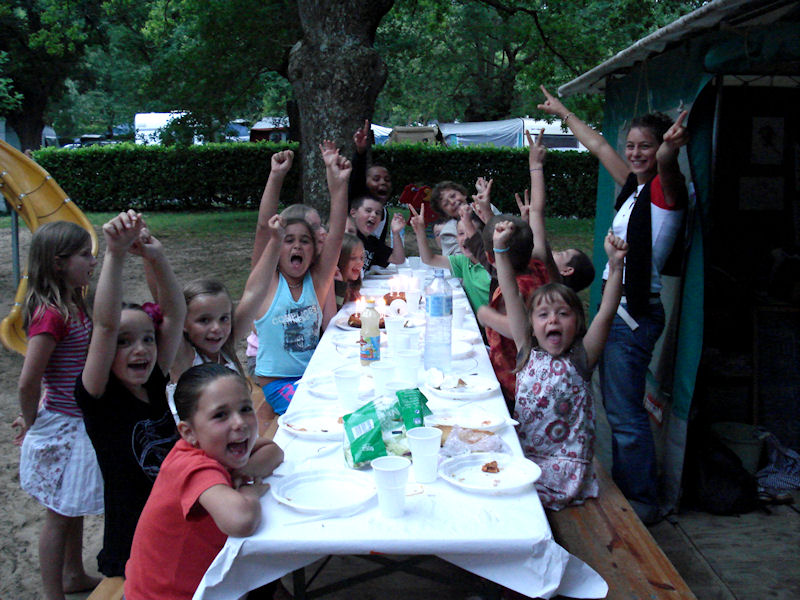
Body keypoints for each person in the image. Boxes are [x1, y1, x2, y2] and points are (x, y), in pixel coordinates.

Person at [538, 85, 689, 523]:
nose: (637, 153)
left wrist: (667, 151)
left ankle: (640, 503)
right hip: (613, 307)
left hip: (633, 314)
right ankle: (627, 493)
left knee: (624, 415)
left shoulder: (665, 190)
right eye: (633, 146)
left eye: (646, 146)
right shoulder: (634, 188)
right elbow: (600, 145)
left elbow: (665, 164)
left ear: (663, 147)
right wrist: (564, 111)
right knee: (615, 410)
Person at [76, 210, 187, 577]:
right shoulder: (99, 397)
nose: (140, 349)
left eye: (146, 339)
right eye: (125, 343)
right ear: (104, 352)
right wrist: (115, 254)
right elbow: (105, 325)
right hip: (132, 541)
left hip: (172, 518)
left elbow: (174, 314)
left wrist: (156, 256)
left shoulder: (153, 380)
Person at [494, 220, 627, 510]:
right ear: (531, 324)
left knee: (505, 502)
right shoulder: (525, 349)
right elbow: (512, 294)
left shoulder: (582, 357)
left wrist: (616, 267)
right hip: (524, 457)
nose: (552, 319)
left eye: (562, 313)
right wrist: (501, 250)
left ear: (577, 322)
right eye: (543, 314)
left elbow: (606, 311)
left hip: (564, 470)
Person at [124, 364, 283, 599]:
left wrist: (242, 471)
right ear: (189, 433)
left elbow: (274, 451)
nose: (239, 422)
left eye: (245, 409)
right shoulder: (192, 465)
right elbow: (242, 520)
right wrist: (249, 492)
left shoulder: (220, 447)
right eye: (220, 415)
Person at [15, 221, 103, 599]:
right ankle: (54, 593)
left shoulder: (74, 303)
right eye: (84, 254)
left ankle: (74, 574)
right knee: (58, 512)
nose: (92, 260)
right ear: (58, 263)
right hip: (63, 426)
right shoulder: (51, 315)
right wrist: (32, 422)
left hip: (78, 422)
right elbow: (28, 379)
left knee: (74, 503)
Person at [246, 142, 350, 418]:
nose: (297, 247)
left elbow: (337, 234)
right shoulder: (266, 283)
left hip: (313, 379)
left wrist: (338, 185)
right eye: (288, 240)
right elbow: (262, 228)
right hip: (278, 385)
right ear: (276, 247)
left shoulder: (315, 283)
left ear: (314, 249)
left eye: (305, 241)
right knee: (322, 416)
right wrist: (276, 175)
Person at [476, 214, 549, 411]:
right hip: (532, 379)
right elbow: (539, 224)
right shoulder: (538, 267)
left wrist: (486, 315)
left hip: (515, 384)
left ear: (490, 257)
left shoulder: (511, 289)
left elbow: (516, 328)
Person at [516, 129, 595, 292]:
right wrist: (526, 222)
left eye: (563, 254)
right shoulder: (544, 278)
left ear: (567, 271)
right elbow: (528, 249)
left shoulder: (554, 281)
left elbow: (538, 212)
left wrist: (536, 166)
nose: (556, 251)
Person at [408, 205, 491, 314]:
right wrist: (420, 232)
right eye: (461, 233)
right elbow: (429, 259)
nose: (466, 238)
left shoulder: (492, 264)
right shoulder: (463, 261)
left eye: (471, 232)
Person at [350, 119, 394, 245]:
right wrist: (360, 152)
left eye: (387, 180)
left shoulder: (383, 213)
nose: (383, 182)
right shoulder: (358, 203)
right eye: (376, 179)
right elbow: (356, 178)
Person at [350, 195, 406, 272]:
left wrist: (395, 233)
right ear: (353, 213)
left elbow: (398, 259)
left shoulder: (372, 242)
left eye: (377, 213)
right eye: (368, 210)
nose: (374, 215)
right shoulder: (346, 238)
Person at [333, 233, 365, 309]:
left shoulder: (351, 285)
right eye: (353, 258)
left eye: (361, 258)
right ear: (340, 259)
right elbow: (336, 311)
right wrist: (340, 287)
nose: (360, 263)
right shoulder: (333, 284)